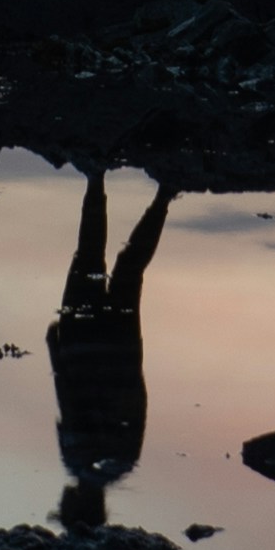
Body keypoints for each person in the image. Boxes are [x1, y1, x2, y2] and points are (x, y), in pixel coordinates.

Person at [45, 161, 171, 528]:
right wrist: (55, 349)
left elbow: (140, 400)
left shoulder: (125, 461)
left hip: (120, 345)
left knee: (130, 267)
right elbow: (67, 397)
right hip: (80, 343)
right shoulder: (75, 458)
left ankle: (164, 196)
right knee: (88, 255)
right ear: (76, 508)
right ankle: (96, 176)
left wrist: (133, 356)